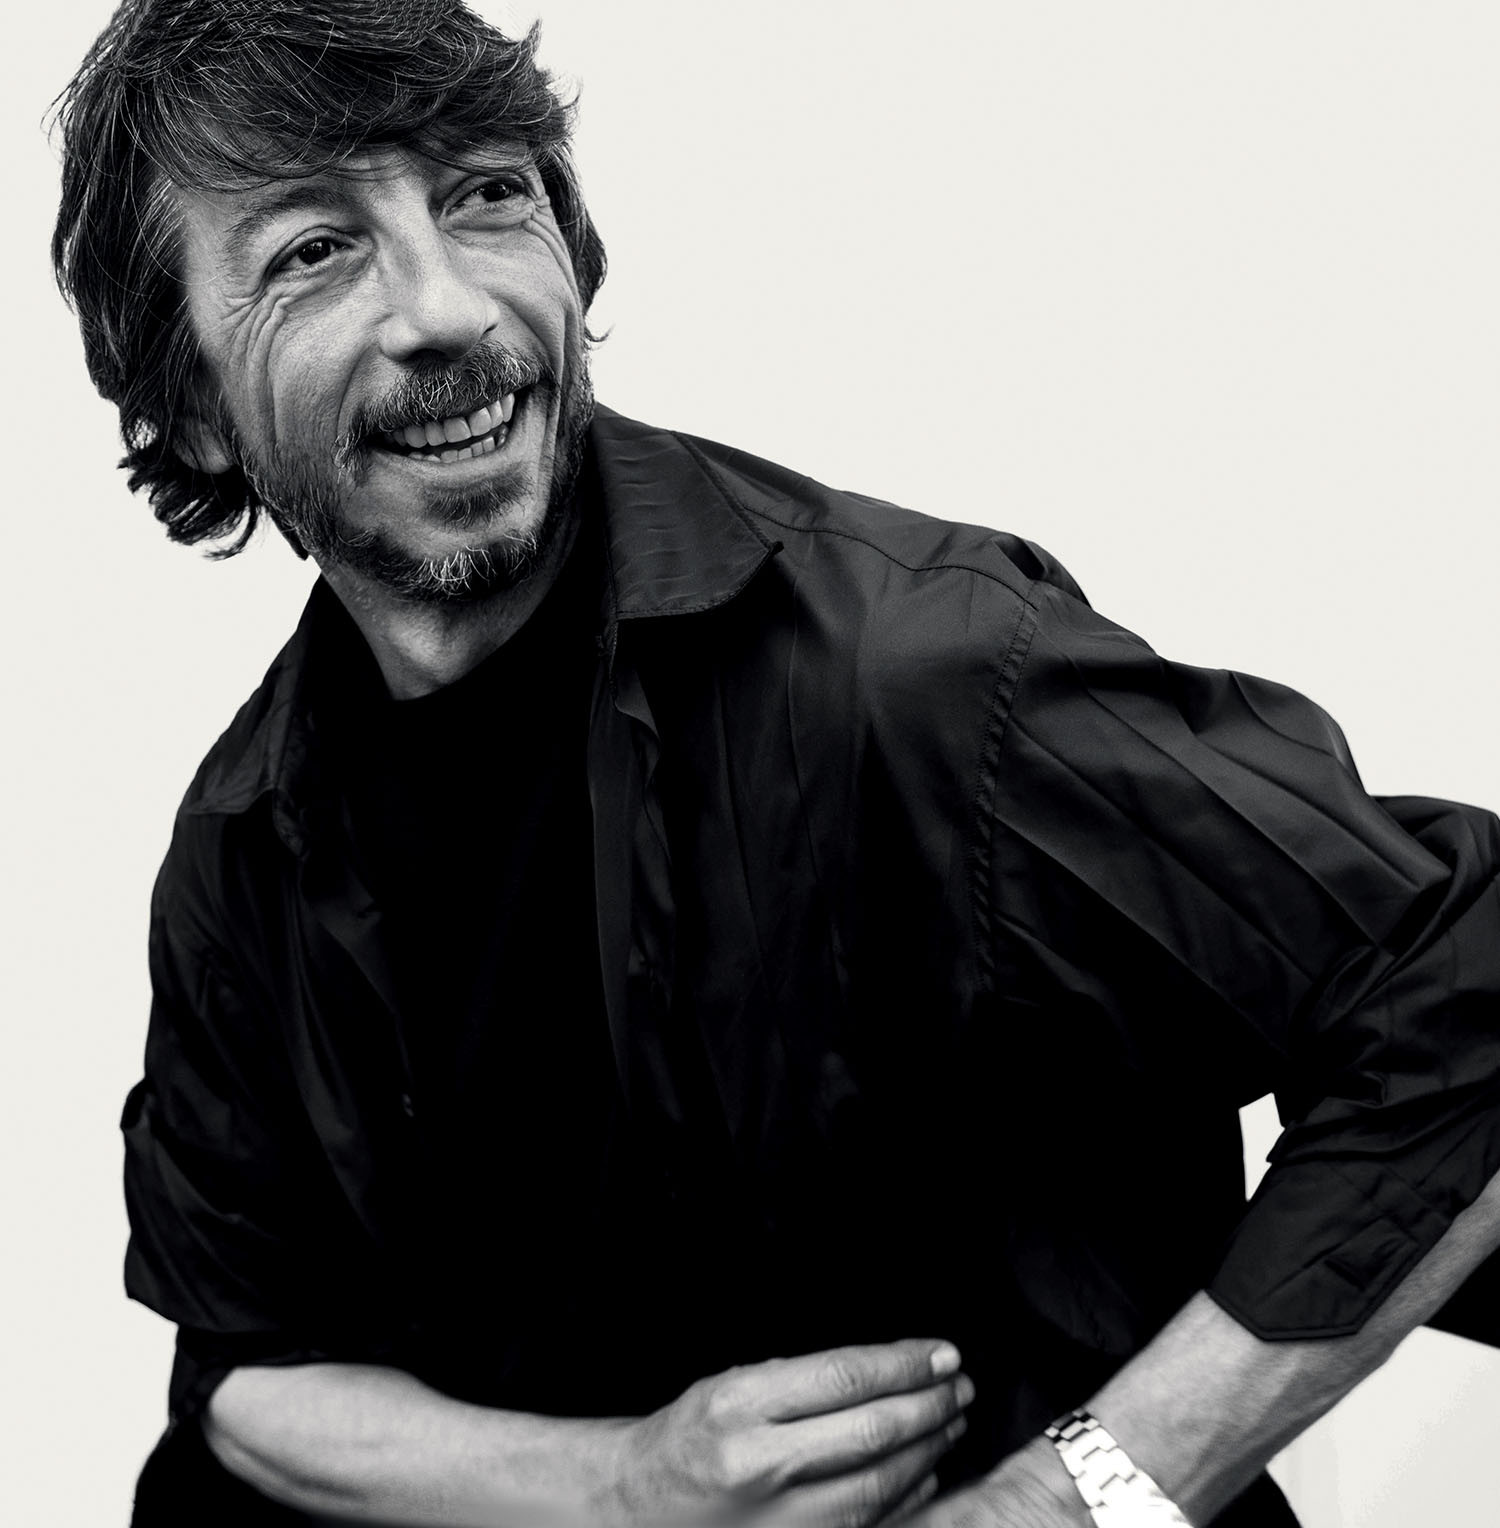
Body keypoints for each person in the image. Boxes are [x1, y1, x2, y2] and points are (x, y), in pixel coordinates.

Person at [51, 1, 1500, 1524]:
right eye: (313, 250)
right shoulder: (241, 840)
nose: (449, 308)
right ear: (191, 412)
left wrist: (1069, 1501)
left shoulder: (913, 669)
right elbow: (245, 1362)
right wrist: (625, 1488)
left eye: (485, 193)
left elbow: (1464, 993)